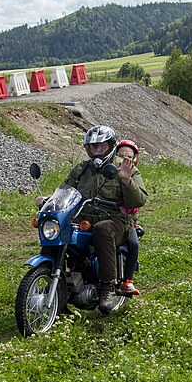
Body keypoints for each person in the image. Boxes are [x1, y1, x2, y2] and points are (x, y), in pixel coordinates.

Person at [59, 125, 148, 313]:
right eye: (93, 147)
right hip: (84, 221)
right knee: (59, 228)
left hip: (116, 222)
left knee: (102, 229)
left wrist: (126, 180)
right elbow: (65, 189)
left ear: (111, 146)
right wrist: (49, 200)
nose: (97, 151)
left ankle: (108, 288)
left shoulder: (125, 167)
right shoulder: (82, 169)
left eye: (102, 146)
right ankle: (57, 282)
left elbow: (139, 200)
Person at [115, 139, 144, 296]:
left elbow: (138, 200)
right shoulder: (108, 171)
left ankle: (128, 280)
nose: (125, 159)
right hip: (105, 216)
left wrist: (126, 208)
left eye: (129, 156)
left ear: (134, 159)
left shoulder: (134, 174)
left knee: (133, 243)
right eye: (121, 155)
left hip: (126, 220)